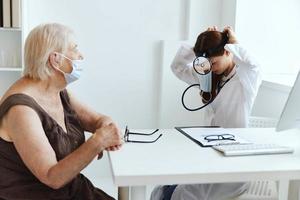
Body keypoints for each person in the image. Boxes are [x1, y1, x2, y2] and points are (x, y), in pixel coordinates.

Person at [0, 23, 123, 200]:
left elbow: (98, 120)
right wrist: (98, 142)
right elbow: (52, 177)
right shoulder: (20, 109)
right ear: (55, 59)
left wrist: (107, 130)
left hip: (71, 189)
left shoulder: (56, 90)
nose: (81, 56)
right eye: (75, 49)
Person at [150, 26, 261, 200]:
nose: (212, 68)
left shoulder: (245, 79)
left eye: (214, 63)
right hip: (210, 155)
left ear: (227, 52)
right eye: (208, 64)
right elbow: (177, 67)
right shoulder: (208, 76)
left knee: (177, 194)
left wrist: (233, 42)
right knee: (163, 189)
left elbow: (253, 63)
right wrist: (198, 48)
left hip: (234, 163)